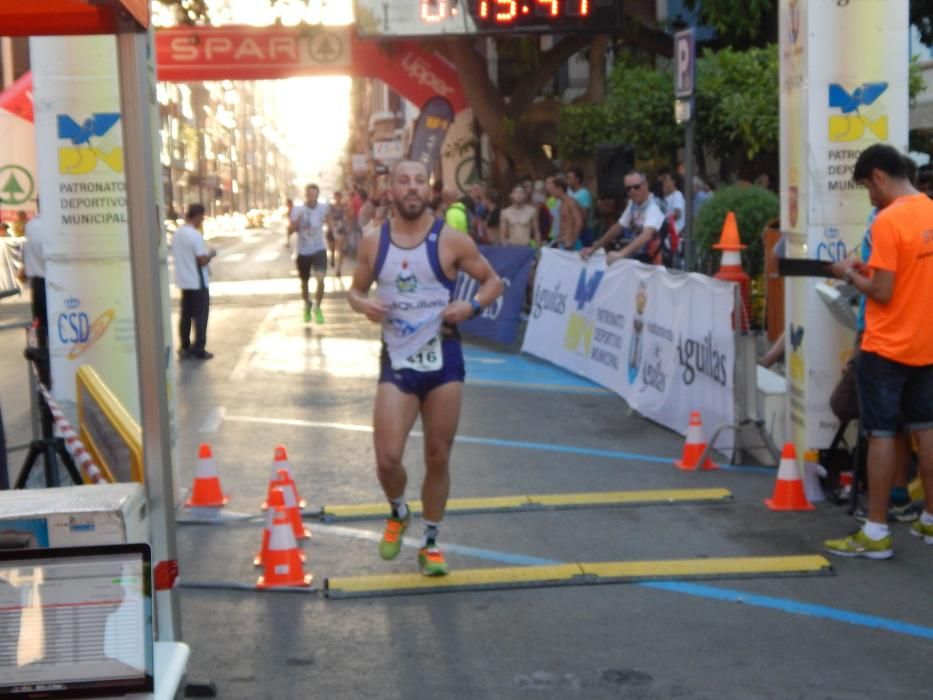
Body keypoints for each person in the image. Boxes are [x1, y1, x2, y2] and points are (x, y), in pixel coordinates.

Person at [347, 159, 504, 576]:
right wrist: (365, 305)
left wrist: (469, 306)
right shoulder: (373, 242)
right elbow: (355, 290)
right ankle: (399, 511)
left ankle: (431, 542)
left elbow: (493, 281)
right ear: (391, 190)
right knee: (387, 459)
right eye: (404, 181)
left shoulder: (451, 240)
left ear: (428, 188)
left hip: (443, 357)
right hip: (398, 359)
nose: (412, 188)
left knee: (438, 456)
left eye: (419, 180)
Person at [823, 144, 933, 559]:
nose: (869, 195)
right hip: (927, 341)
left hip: (886, 345)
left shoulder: (888, 222)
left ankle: (875, 530)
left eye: (868, 187)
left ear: (880, 178)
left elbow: (882, 291)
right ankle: (930, 521)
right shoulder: (930, 210)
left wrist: (849, 273)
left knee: (882, 433)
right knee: (926, 427)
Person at [581, 170, 665, 265]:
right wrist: (594, 248)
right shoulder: (634, 204)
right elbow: (618, 227)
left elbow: (647, 235)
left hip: (658, 264)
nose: (632, 191)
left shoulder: (654, 205)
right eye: (628, 189)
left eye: (636, 187)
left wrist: (621, 253)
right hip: (643, 260)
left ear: (645, 185)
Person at [172, 204, 215, 360]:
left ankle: (184, 346)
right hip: (198, 282)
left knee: (185, 316)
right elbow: (201, 260)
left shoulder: (177, 234)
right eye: (201, 218)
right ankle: (199, 348)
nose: (202, 221)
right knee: (200, 316)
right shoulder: (194, 235)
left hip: (184, 281)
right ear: (197, 216)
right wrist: (211, 254)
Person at [288, 183, 333, 324]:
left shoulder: (323, 208)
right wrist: (297, 222)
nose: (312, 197)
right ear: (305, 195)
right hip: (303, 251)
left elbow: (329, 221)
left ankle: (317, 307)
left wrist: (331, 226)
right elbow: (291, 229)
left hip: (319, 249)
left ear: (317, 195)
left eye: (315, 195)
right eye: (309, 194)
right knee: (305, 283)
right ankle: (307, 304)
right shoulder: (297, 209)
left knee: (320, 279)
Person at [20, 205, 47, 347]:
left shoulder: (30, 226)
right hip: (53, 282)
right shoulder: (51, 225)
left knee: (40, 326)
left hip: (37, 284)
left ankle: (42, 363)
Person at [545, 176, 584, 250]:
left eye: (553, 188)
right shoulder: (561, 204)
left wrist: (572, 240)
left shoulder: (570, 202)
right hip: (563, 242)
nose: (550, 191)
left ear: (559, 189)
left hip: (571, 243)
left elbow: (579, 222)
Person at [565, 166, 595, 246]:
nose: (567, 180)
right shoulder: (568, 193)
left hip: (583, 232)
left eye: (570, 178)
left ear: (577, 179)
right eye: (567, 178)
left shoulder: (584, 194)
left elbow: (585, 216)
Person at [658, 166, 686, 237]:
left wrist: (663, 219)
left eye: (667, 180)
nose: (664, 182)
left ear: (673, 182)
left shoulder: (677, 194)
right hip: (669, 232)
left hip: (676, 232)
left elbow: (677, 213)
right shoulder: (668, 197)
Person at [330, 191, 350, 277]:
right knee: (332, 246)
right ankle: (332, 255)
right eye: (336, 197)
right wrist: (331, 225)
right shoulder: (331, 207)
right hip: (333, 227)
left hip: (341, 228)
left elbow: (348, 215)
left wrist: (347, 225)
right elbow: (329, 217)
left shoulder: (344, 206)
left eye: (339, 197)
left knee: (340, 249)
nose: (337, 199)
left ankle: (339, 269)